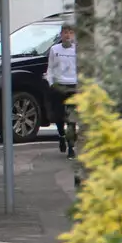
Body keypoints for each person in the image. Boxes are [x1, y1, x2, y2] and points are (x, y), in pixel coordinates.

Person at [46, 23, 78, 154]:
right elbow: (50, 68)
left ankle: (71, 147)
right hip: (59, 86)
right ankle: (61, 136)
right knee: (59, 116)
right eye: (65, 32)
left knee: (72, 118)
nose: (68, 35)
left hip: (73, 86)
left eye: (70, 32)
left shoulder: (77, 50)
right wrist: (51, 82)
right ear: (61, 35)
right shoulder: (55, 49)